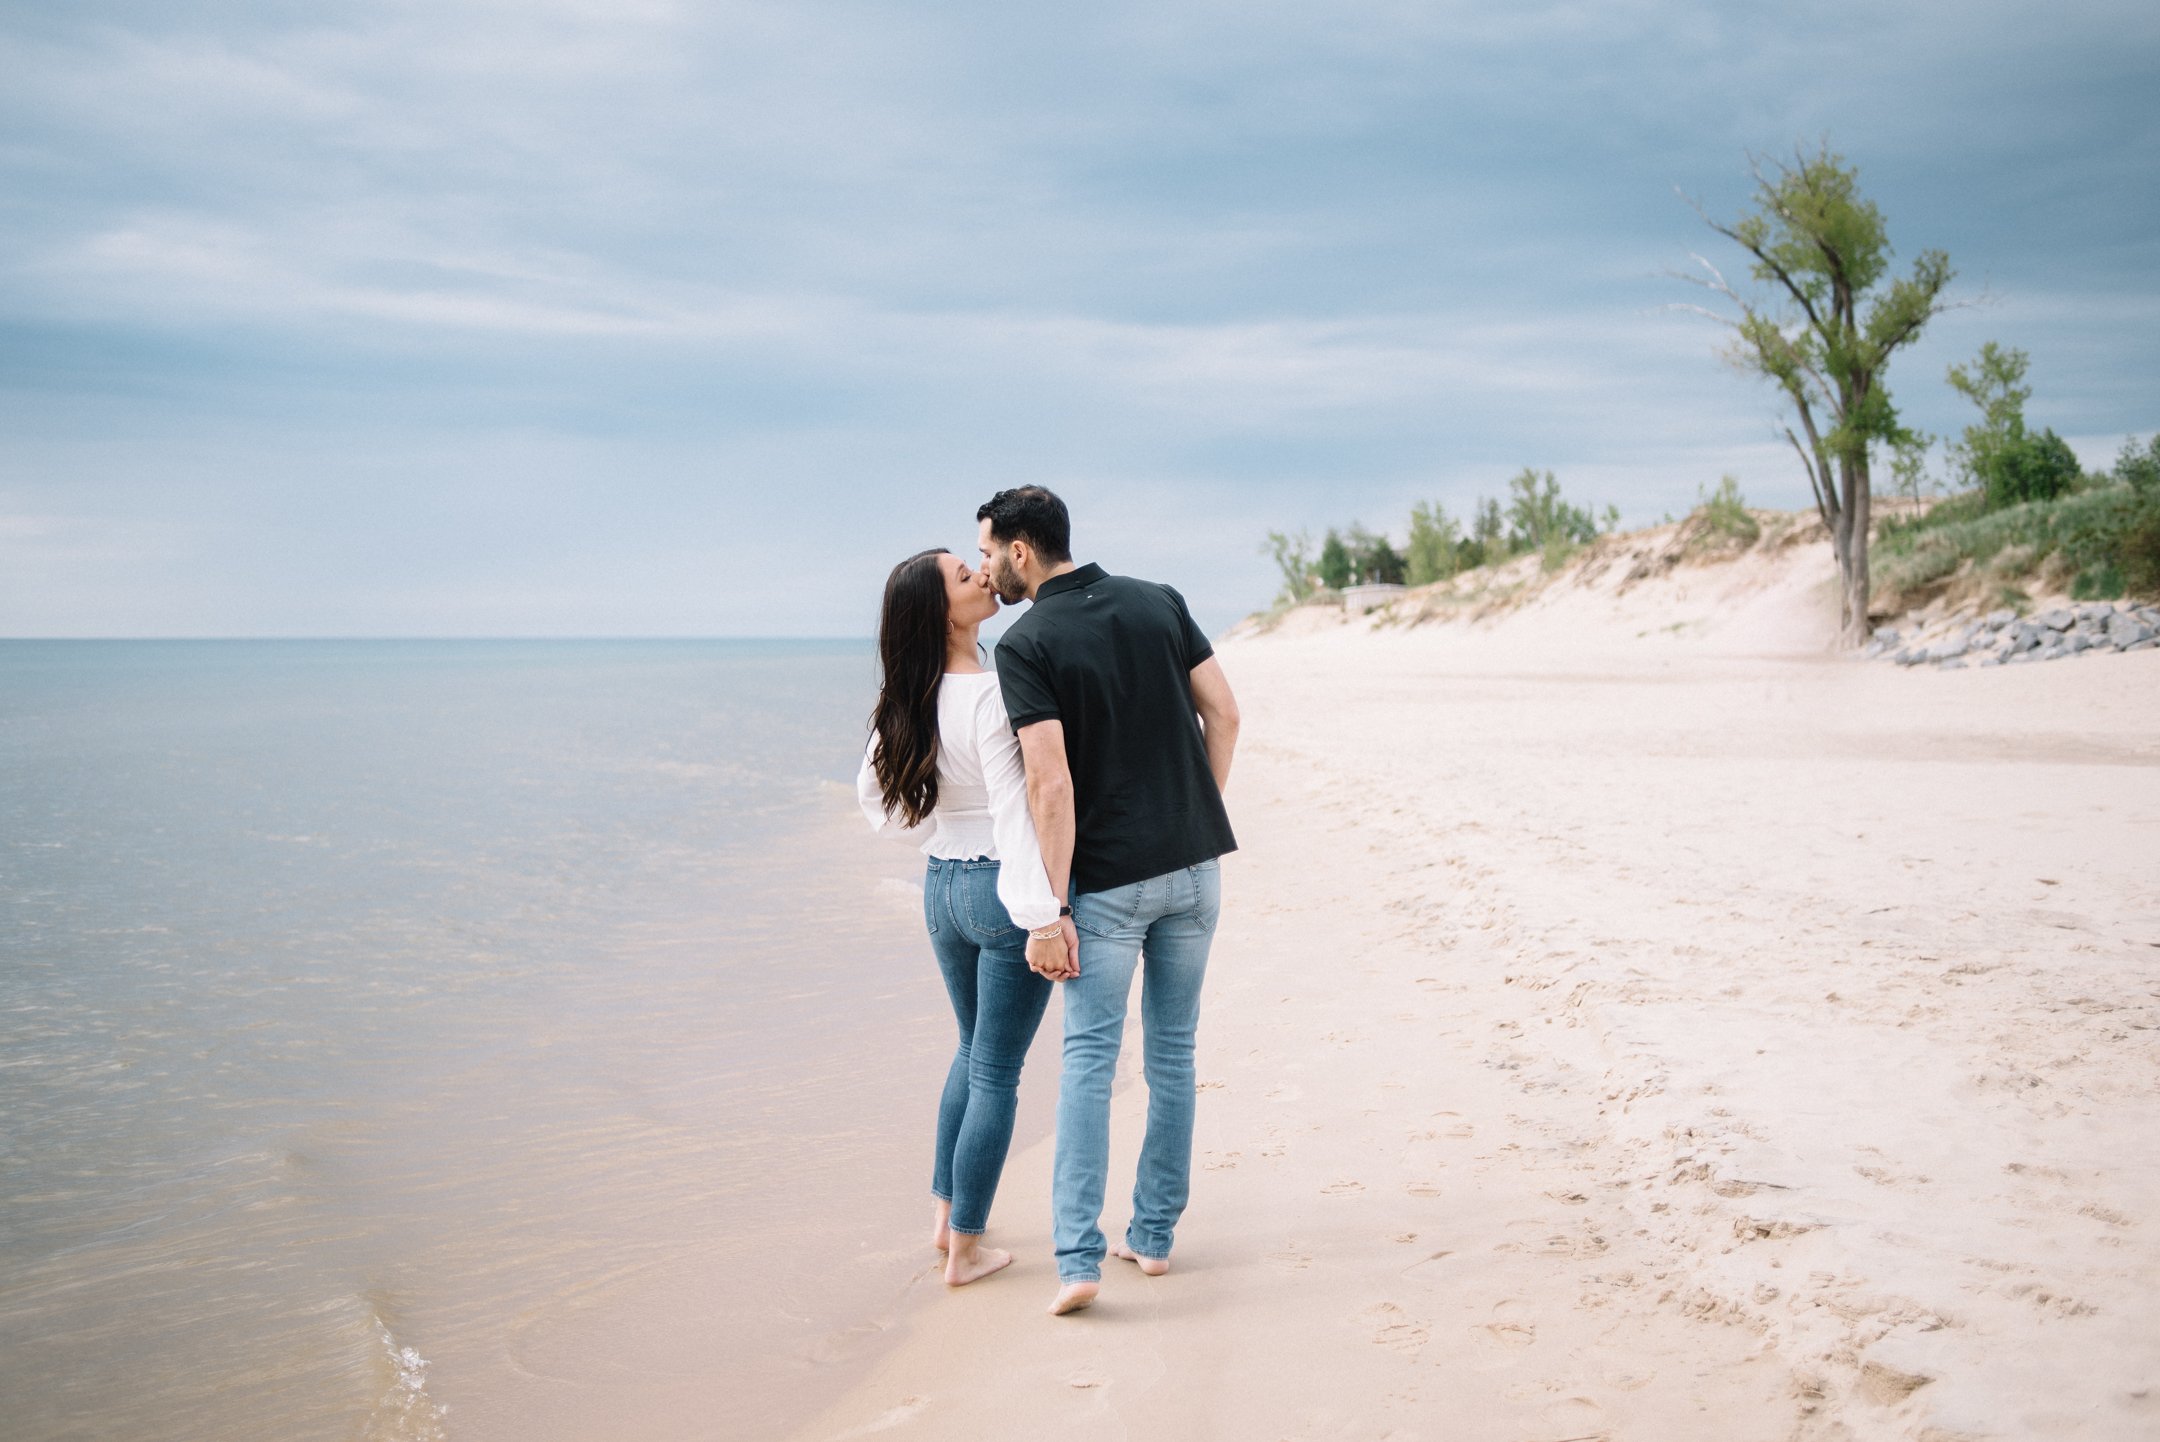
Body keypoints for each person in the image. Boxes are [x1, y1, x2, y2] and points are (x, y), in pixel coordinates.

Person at [975, 486, 1242, 1316]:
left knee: (1090, 1064)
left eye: (987, 551)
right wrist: (1193, 818)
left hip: (1108, 886)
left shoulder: (1026, 645)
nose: (985, 567)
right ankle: (1153, 1239)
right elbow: (1225, 716)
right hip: (1195, 870)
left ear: (1021, 550)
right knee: (1174, 1059)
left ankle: (1079, 1259)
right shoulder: (1159, 601)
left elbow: (1050, 786)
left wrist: (1050, 907)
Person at [857, 547, 1058, 1287]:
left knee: (971, 1051)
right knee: (997, 1073)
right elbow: (1017, 811)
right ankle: (969, 1251)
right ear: (942, 612)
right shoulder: (988, 695)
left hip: (940, 886)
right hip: (1001, 892)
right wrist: (1042, 917)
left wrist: (943, 810)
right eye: (963, 576)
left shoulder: (907, 696)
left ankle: (944, 1219)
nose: (980, 577)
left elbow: (877, 805)